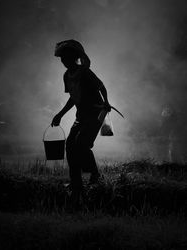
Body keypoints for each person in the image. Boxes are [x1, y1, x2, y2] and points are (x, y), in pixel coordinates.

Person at [51, 39, 111, 208]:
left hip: (95, 113)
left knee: (82, 144)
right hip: (81, 116)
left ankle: (95, 175)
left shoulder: (84, 72)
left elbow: (101, 86)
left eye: (66, 57)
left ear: (75, 57)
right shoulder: (67, 76)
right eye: (62, 58)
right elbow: (73, 97)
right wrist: (60, 114)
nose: (64, 61)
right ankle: (76, 183)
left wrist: (106, 102)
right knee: (70, 145)